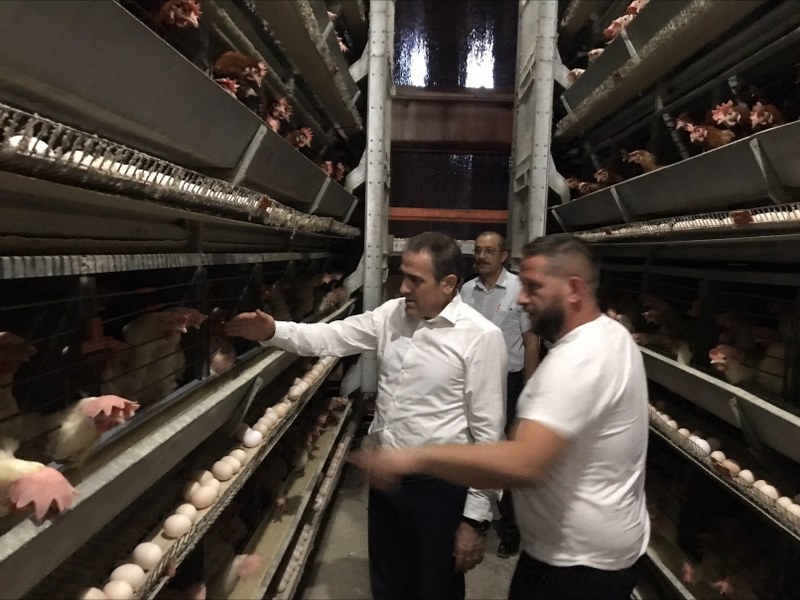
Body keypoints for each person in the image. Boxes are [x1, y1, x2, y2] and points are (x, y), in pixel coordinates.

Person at [351, 234, 650, 600]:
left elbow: (524, 463)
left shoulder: (579, 359)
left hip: (577, 562)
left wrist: (415, 458)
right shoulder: (611, 335)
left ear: (574, 290)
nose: (521, 299)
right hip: (589, 549)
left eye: (533, 287)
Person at [225, 231, 507, 599]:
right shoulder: (391, 315)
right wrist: (273, 330)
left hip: (439, 487)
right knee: (388, 582)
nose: (403, 287)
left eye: (415, 280)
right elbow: (330, 337)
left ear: (449, 284)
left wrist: (475, 518)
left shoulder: (480, 337)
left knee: (436, 586)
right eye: (403, 275)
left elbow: (488, 433)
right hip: (387, 475)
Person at [460, 231, 539, 558]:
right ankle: (474, 519)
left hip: (508, 382)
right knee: (475, 448)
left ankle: (511, 529)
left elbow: (531, 341)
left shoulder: (519, 289)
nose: (482, 256)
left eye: (489, 251)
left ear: (504, 255)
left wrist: (530, 392)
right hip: (473, 380)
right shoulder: (467, 290)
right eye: (478, 250)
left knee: (506, 455)